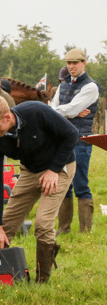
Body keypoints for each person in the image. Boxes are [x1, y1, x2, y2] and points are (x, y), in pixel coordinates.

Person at [0, 96, 78, 282]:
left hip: (59, 167)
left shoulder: (36, 111)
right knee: (6, 222)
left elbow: (71, 134)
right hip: (30, 170)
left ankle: (42, 279)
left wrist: (54, 169)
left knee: (42, 222)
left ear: (7, 117)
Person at [50, 48, 100, 234]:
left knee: (80, 185)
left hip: (80, 141)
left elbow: (66, 110)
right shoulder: (63, 85)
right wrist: (69, 111)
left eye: (75, 63)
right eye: (68, 63)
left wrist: (68, 111)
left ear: (83, 63)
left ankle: (85, 232)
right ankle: (64, 229)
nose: (71, 66)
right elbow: (57, 109)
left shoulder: (90, 87)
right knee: (64, 185)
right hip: (62, 141)